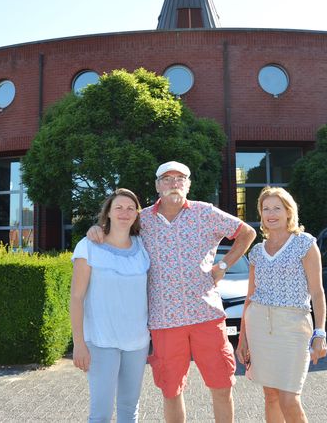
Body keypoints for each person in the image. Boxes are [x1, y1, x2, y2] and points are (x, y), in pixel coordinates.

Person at [88, 161, 256, 423]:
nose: (174, 183)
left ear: (188, 185)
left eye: (180, 178)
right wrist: (97, 229)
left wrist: (223, 265)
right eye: (167, 179)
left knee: (222, 386)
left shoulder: (206, 212)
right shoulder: (141, 220)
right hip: (165, 321)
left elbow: (247, 232)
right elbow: (116, 230)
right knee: (171, 391)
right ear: (157, 186)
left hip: (207, 316)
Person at [236, 187, 327, 423]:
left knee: (289, 398)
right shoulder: (256, 251)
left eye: (277, 208)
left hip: (293, 328)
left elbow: (317, 293)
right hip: (259, 328)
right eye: (266, 209)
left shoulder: (305, 244)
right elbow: (250, 296)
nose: (271, 213)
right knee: (271, 397)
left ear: (288, 212)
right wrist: (242, 338)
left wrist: (320, 333)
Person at [70, 188, 151, 423]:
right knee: (101, 414)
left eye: (130, 208)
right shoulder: (89, 246)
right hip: (101, 341)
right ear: (108, 213)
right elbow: (76, 298)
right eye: (119, 208)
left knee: (129, 410)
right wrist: (79, 344)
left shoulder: (143, 247)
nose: (124, 213)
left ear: (137, 214)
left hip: (137, 342)